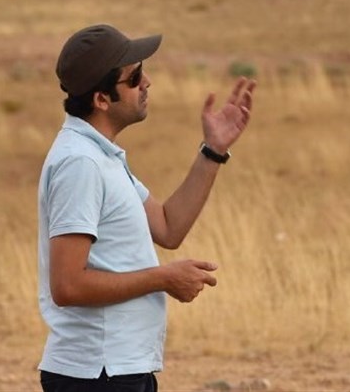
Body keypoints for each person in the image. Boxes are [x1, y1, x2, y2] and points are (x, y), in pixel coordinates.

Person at [37, 24, 255, 392]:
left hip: (116, 370)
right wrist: (163, 278)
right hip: (96, 374)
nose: (147, 82)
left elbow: (168, 227)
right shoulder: (81, 164)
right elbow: (68, 285)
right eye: (135, 77)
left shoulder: (100, 155)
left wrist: (213, 151)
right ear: (101, 99)